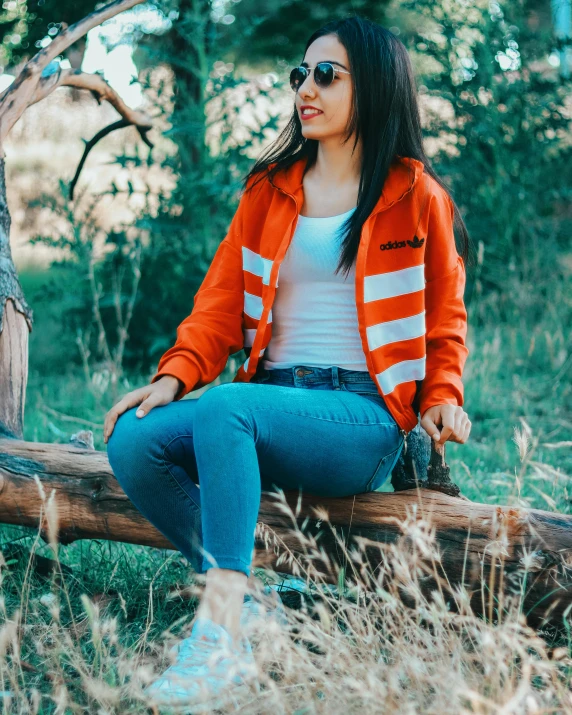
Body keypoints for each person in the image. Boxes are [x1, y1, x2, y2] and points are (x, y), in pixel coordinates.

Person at [104, 15, 472, 712]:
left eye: (327, 75)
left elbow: (445, 319)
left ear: (376, 87)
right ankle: (254, 605)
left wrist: (441, 397)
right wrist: (172, 375)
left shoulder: (417, 195)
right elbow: (218, 304)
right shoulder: (270, 189)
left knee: (225, 408)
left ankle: (221, 636)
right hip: (268, 402)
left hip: (360, 417)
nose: (306, 87)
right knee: (134, 438)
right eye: (298, 74)